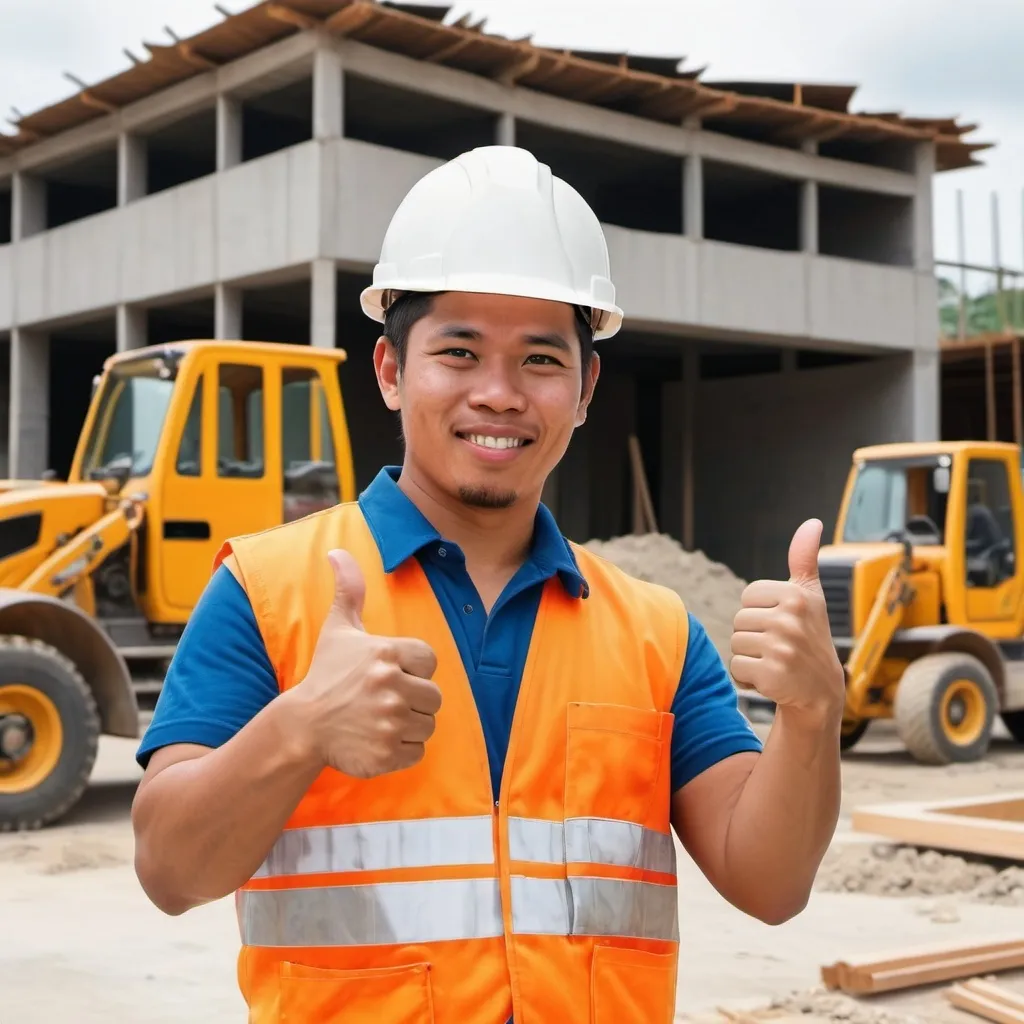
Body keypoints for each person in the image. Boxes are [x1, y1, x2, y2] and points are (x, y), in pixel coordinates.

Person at [131, 145, 846, 1023]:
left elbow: (769, 885)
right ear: (392, 373)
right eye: (459, 352)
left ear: (585, 387)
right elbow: (170, 872)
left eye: (541, 360)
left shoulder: (656, 633)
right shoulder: (267, 591)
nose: (500, 394)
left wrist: (813, 715)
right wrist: (301, 726)